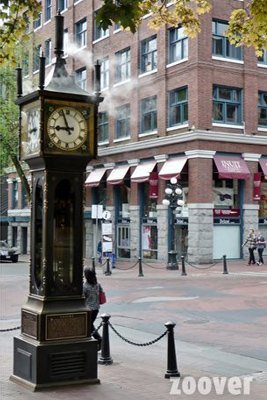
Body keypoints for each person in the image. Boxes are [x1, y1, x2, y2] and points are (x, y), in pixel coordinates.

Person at [83, 267, 104, 350]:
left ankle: (99, 339)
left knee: (89, 325)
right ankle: (94, 340)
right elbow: (101, 292)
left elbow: (83, 298)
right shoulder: (97, 284)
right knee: (89, 325)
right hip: (96, 308)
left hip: (88, 309)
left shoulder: (85, 286)